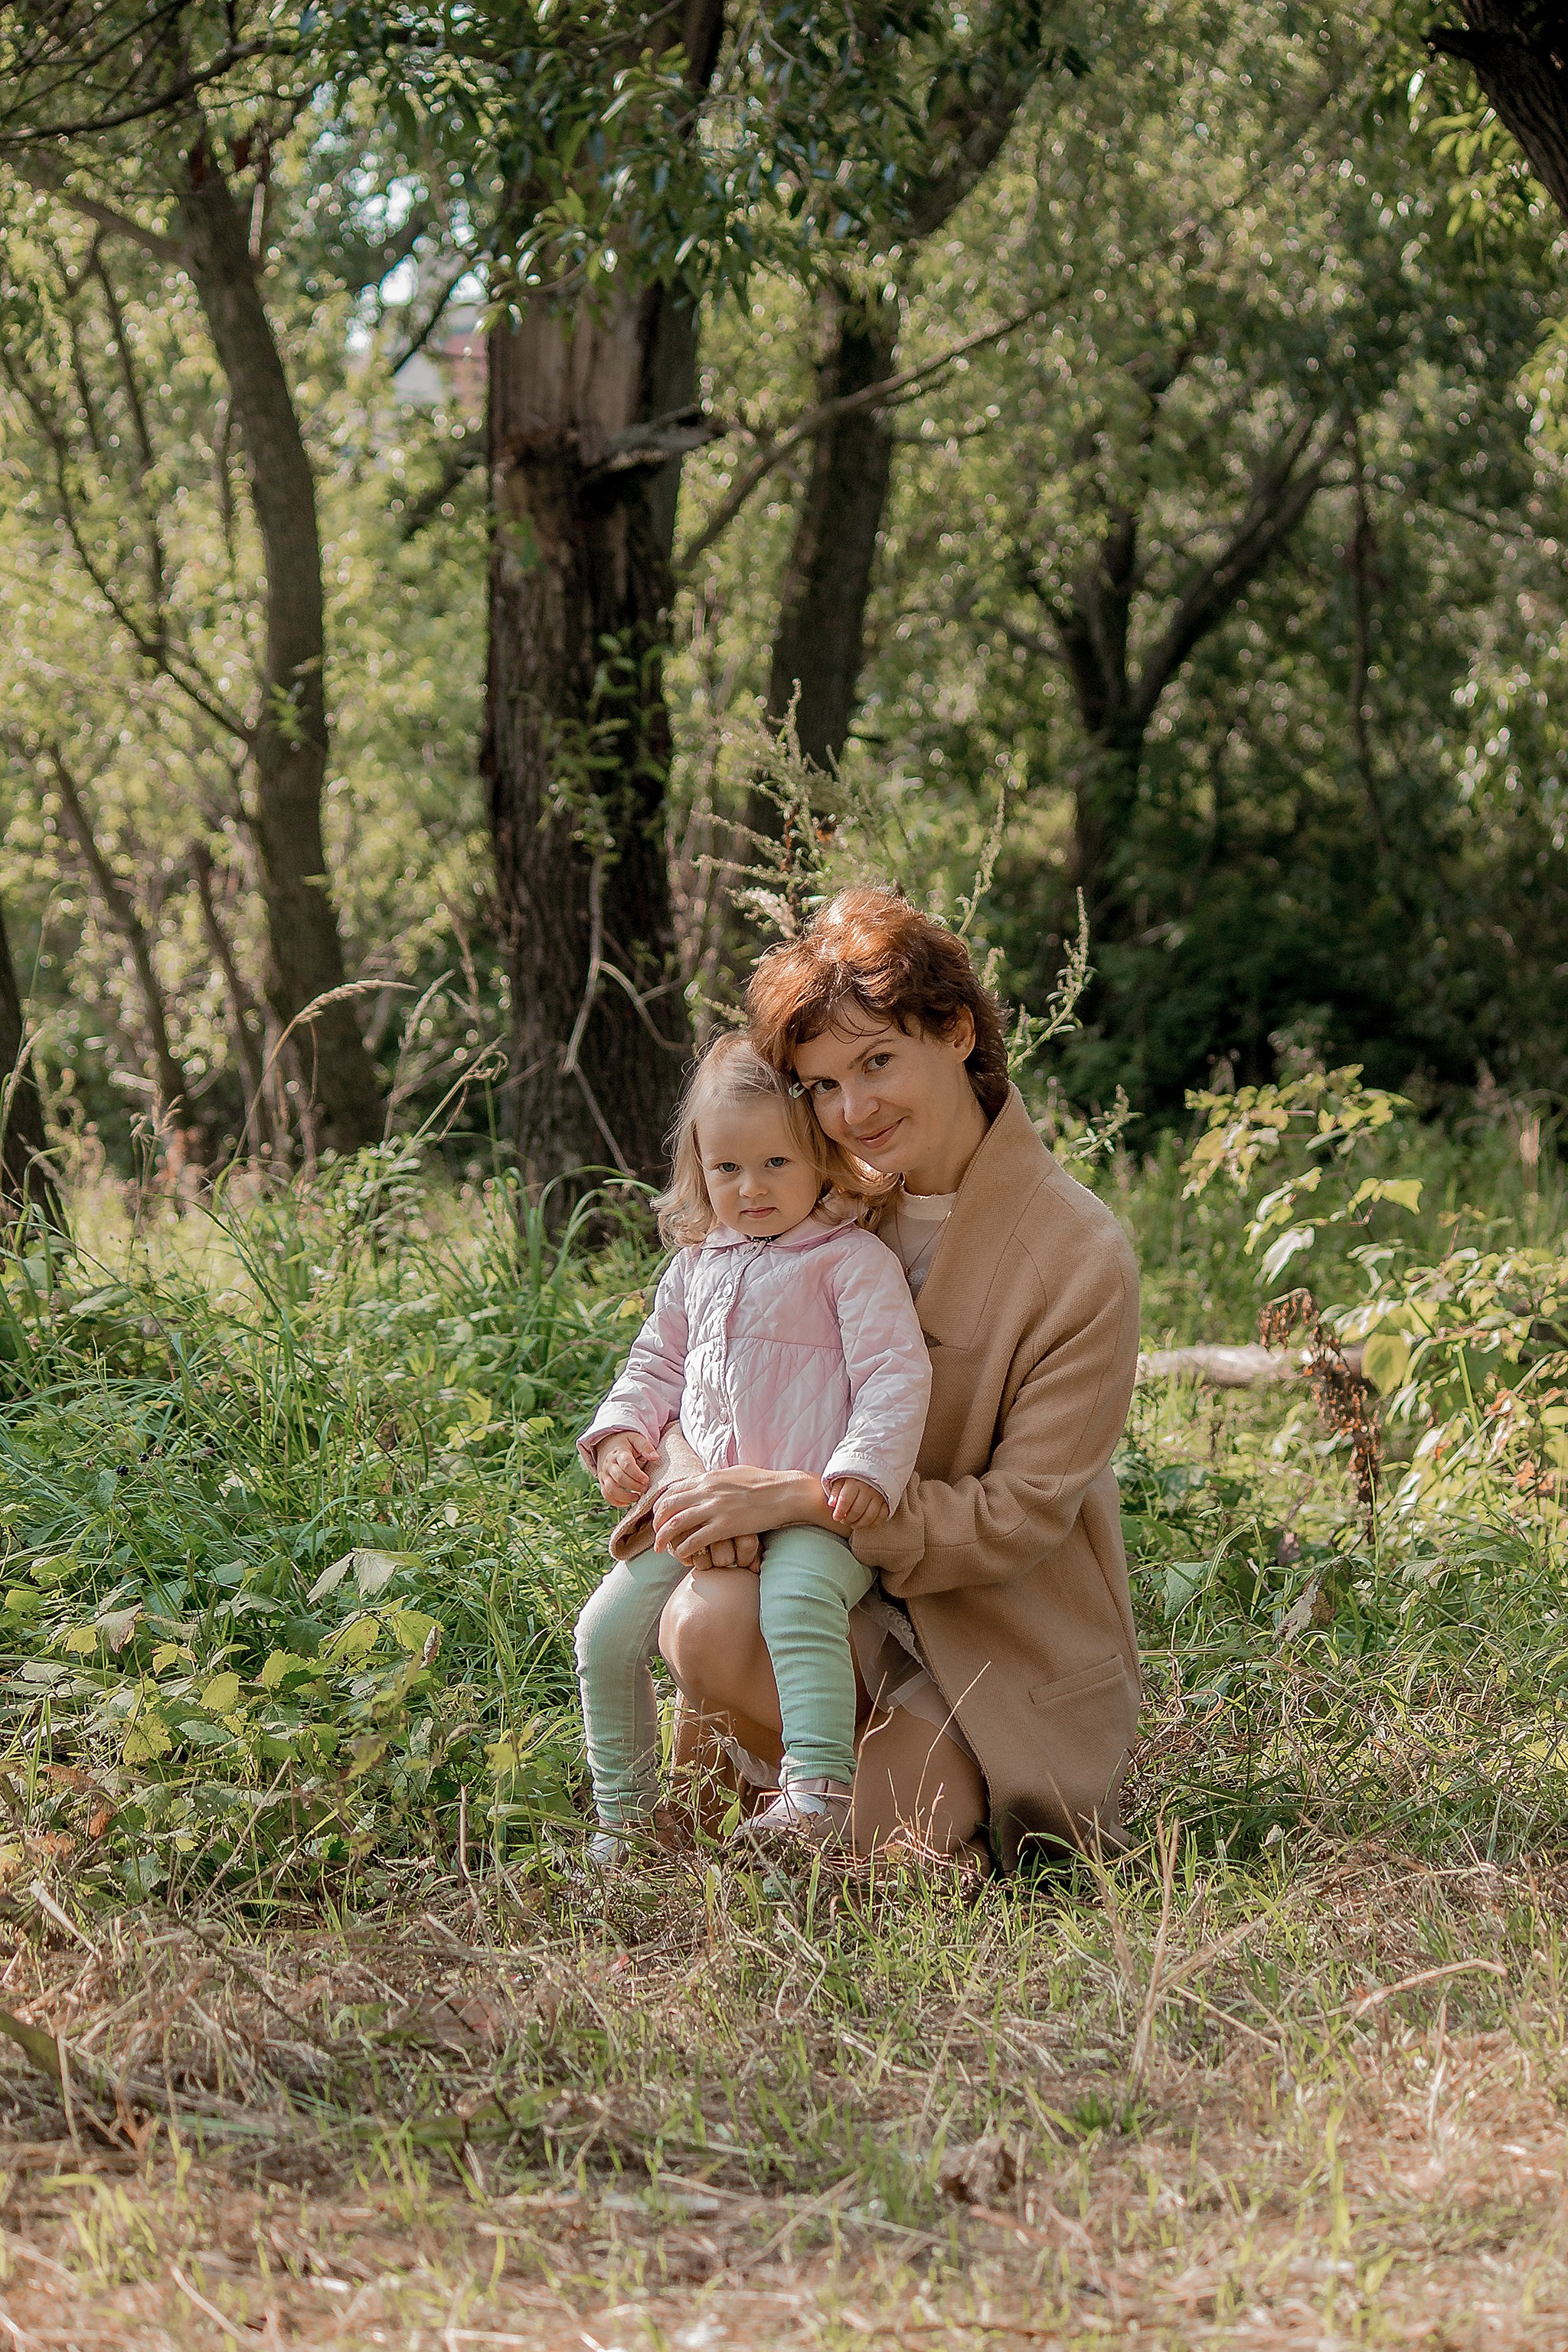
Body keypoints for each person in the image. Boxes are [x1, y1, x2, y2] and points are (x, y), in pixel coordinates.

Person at [654, 887, 1142, 1872]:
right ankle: (796, 1774)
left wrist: (808, 1498)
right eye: (822, 1085)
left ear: (955, 1031)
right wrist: (685, 1477)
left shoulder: (1078, 1252)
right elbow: (697, 1364)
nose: (852, 1110)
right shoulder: (826, 1206)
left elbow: (1017, 1517)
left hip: (991, 1633)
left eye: (877, 1062)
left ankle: (895, 1796)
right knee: (702, 1619)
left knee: (885, 1867)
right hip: (830, 1602)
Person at [573, 1032, 932, 1862]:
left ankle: (815, 1790)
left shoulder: (849, 1262)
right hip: (698, 1507)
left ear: (819, 1158)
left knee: (796, 1604)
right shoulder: (697, 1265)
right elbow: (654, 1362)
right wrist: (624, 1430)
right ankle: (621, 1820)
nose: (751, 1188)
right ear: (700, 1169)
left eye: (775, 1162)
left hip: (813, 1508)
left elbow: (891, 1373)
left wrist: (861, 1469)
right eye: (727, 1169)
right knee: (604, 1631)